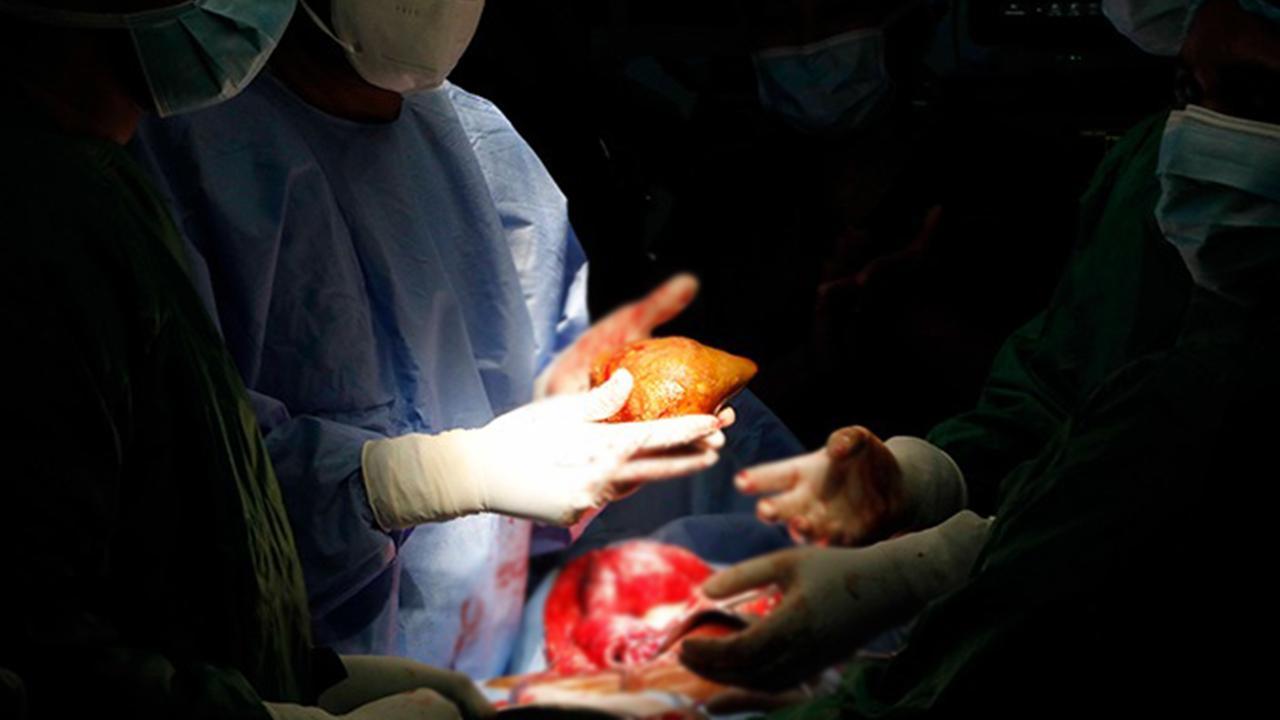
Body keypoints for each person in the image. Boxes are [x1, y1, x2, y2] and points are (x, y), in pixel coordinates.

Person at [130, 0, 771, 678]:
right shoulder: (171, 159)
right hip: (293, 689)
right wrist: (402, 484)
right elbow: (181, 508)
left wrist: (592, 467)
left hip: (485, 656)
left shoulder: (479, 148)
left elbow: (558, 422)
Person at [679, 0, 1280, 712]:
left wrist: (935, 566)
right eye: (1188, 87)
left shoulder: (1001, 175)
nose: (1210, 131)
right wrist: (927, 477)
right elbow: (1058, 395)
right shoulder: (1158, 167)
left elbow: (1132, 501)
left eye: (1258, 93)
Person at [0, 1, 498, 718]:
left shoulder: (107, 187)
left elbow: (187, 532)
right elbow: (34, 641)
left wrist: (305, 679)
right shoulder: (34, 218)